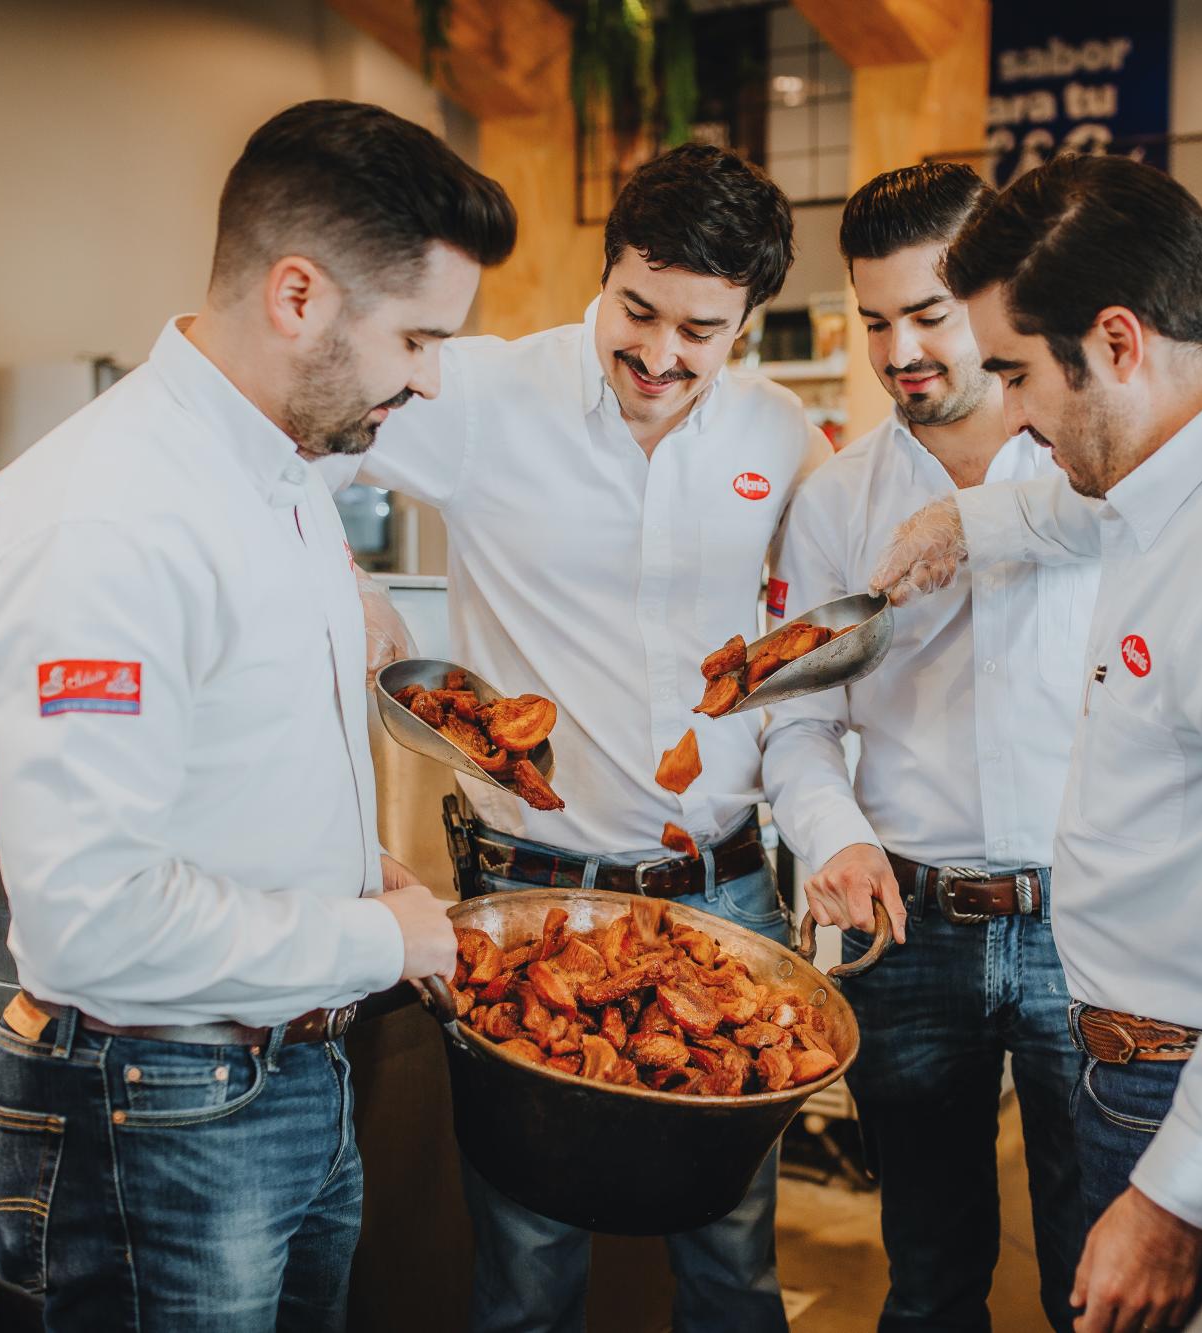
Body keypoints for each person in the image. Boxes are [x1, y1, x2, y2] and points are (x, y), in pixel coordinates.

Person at [0, 101, 514, 1331]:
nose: (428, 378)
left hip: (282, 1077)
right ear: (297, 296)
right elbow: (92, 922)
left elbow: (230, 764)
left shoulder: (283, 476)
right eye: (417, 338)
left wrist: (349, 866)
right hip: (157, 1109)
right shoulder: (105, 519)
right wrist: (377, 940)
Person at [869, 153, 1202, 1333]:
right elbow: (1069, 513)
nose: (1009, 414)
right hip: (1144, 1069)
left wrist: (1176, 1196)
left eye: (1016, 373)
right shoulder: (1181, 466)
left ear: (1116, 342)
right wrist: (962, 517)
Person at [329, 143, 829, 1333]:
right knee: (525, 1263)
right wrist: (340, 577)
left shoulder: (779, 435)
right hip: (530, 897)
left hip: (725, 897)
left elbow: (831, 610)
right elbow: (283, 427)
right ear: (604, 272)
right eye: (635, 310)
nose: (658, 355)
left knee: (733, 1260)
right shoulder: (482, 394)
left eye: (699, 331)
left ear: (746, 322)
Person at [760, 162, 1095, 1332]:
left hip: (1087, 920)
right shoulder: (833, 501)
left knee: (1095, 1276)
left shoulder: (1088, 465)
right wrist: (834, 838)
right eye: (874, 321)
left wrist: (971, 521)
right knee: (927, 1276)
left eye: (929, 315)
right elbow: (798, 718)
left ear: (996, 298)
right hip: (906, 927)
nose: (898, 351)